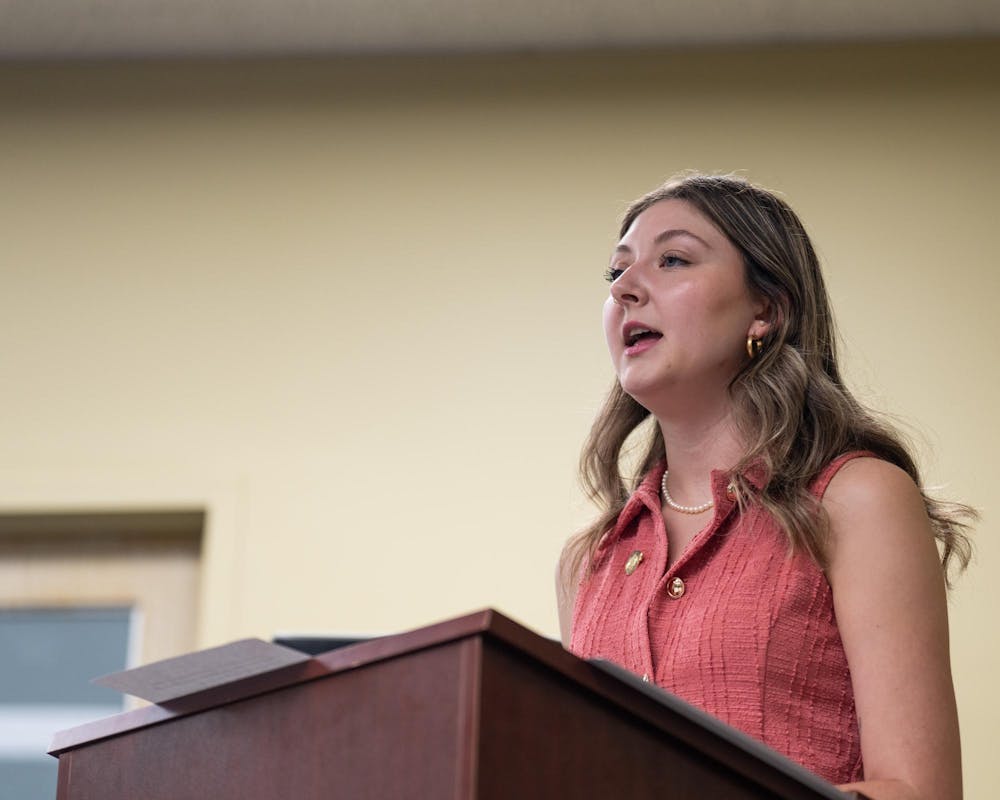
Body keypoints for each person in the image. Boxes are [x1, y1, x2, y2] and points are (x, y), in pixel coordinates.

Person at [557, 173, 974, 800]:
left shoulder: (855, 500)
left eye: (672, 259)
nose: (626, 289)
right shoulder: (587, 564)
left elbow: (922, 793)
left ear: (767, 309)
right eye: (615, 273)